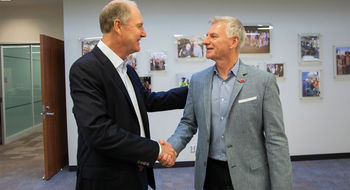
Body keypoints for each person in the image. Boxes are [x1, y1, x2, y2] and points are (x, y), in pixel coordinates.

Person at [163, 16, 293, 190]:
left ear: (233, 41)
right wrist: (172, 147)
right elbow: (188, 123)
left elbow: (276, 139)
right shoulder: (198, 81)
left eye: (213, 36)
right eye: (206, 36)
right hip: (209, 175)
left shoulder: (263, 82)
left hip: (250, 177)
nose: (205, 41)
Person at [69, 1, 187, 189]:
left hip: (136, 173)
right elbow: (100, 132)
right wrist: (156, 149)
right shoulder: (85, 69)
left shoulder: (128, 69)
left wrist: (196, 89)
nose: (144, 33)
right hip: (106, 180)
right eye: (139, 26)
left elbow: (148, 101)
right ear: (118, 26)